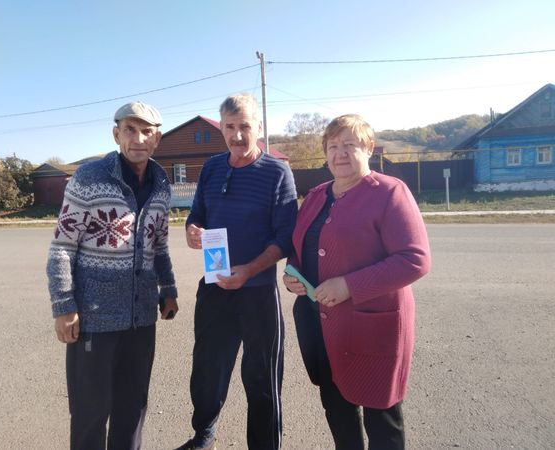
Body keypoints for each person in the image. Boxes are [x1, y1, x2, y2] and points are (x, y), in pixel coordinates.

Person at [283, 114, 431, 450]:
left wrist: (348, 286)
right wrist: (293, 273)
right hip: (321, 327)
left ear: (369, 148)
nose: (340, 153)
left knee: (382, 418)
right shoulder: (316, 196)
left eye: (349, 144)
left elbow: (415, 259)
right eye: (333, 146)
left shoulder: (390, 192)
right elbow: (299, 246)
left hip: (372, 327)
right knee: (337, 411)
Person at [46, 101, 179, 449]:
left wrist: (168, 289)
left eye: (147, 131)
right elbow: (62, 247)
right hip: (94, 318)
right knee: (90, 412)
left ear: (157, 139)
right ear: (116, 134)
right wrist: (63, 306)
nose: (139, 138)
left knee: (132, 408)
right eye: (130, 130)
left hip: (141, 318)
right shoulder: (89, 178)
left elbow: (159, 245)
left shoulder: (161, 185)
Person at [177, 93, 298, 450]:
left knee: (262, 378)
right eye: (230, 127)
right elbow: (197, 214)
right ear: (222, 129)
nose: (238, 135)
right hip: (215, 286)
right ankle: (204, 433)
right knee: (207, 370)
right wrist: (191, 230)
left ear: (258, 126)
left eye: (245, 126)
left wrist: (249, 269)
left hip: (258, 290)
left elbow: (285, 237)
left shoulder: (277, 172)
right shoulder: (212, 168)